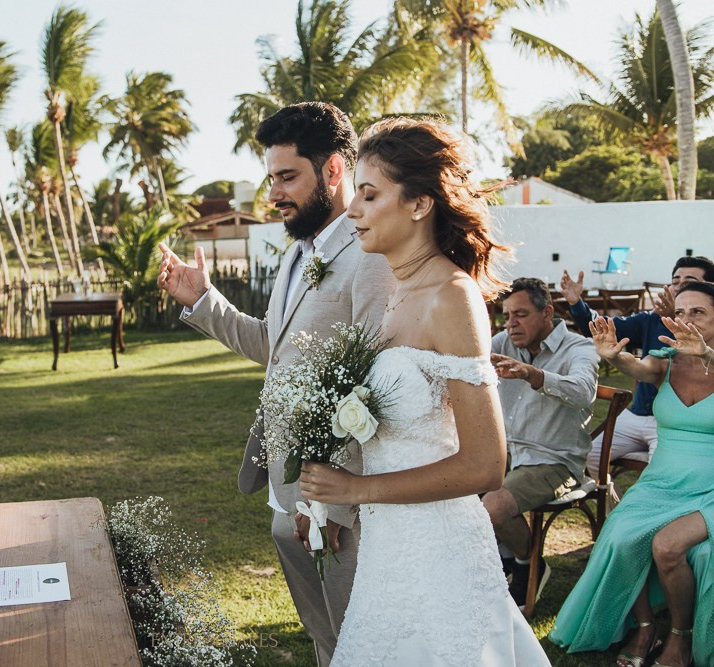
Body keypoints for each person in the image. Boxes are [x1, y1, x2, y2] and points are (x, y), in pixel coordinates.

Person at [297, 117, 549, 665]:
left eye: (369, 195)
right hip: (388, 548)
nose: (353, 210)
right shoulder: (394, 292)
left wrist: (355, 489)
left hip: (439, 550)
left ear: (418, 204)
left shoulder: (451, 297)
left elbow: (486, 465)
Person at [157, 102, 394, 665]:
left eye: (287, 177)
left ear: (333, 170)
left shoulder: (371, 257)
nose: (274, 194)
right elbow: (275, 345)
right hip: (286, 487)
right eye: (271, 179)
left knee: (359, 639)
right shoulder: (295, 254)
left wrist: (334, 505)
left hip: (337, 500)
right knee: (323, 635)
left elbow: (378, 386)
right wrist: (203, 302)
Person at [550, 281, 714, 667]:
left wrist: (708, 353)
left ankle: (681, 638)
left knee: (668, 547)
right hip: (662, 483)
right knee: (621, 537)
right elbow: (639, 368)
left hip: (709, 489)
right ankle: (645, 627)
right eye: (681, 312)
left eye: (699, 312)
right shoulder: (667, 359)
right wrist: (614, 356)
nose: (686, 320)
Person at [483, 277, 599, 608]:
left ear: (547, 313)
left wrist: (532, 375)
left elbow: (583, 391)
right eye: (506, 315)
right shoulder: (503, 342)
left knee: (492, 507)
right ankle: (503, 557)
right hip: (506, 454)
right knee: (455, 489)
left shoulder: (580, 347)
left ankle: (526, 564)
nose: (511, 323)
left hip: (554, 461)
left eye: (520, 314)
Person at [560, 256, 714, 479]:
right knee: (584, 456)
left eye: (689, 282)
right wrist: (577, 305)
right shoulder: (652, 321)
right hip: (637, 415)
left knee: (664, 473)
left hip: (673, 428)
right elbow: (615, 337)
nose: (679, 287)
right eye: (675, 281)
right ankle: (608, 496)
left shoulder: (699, 326)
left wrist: (696, 341)